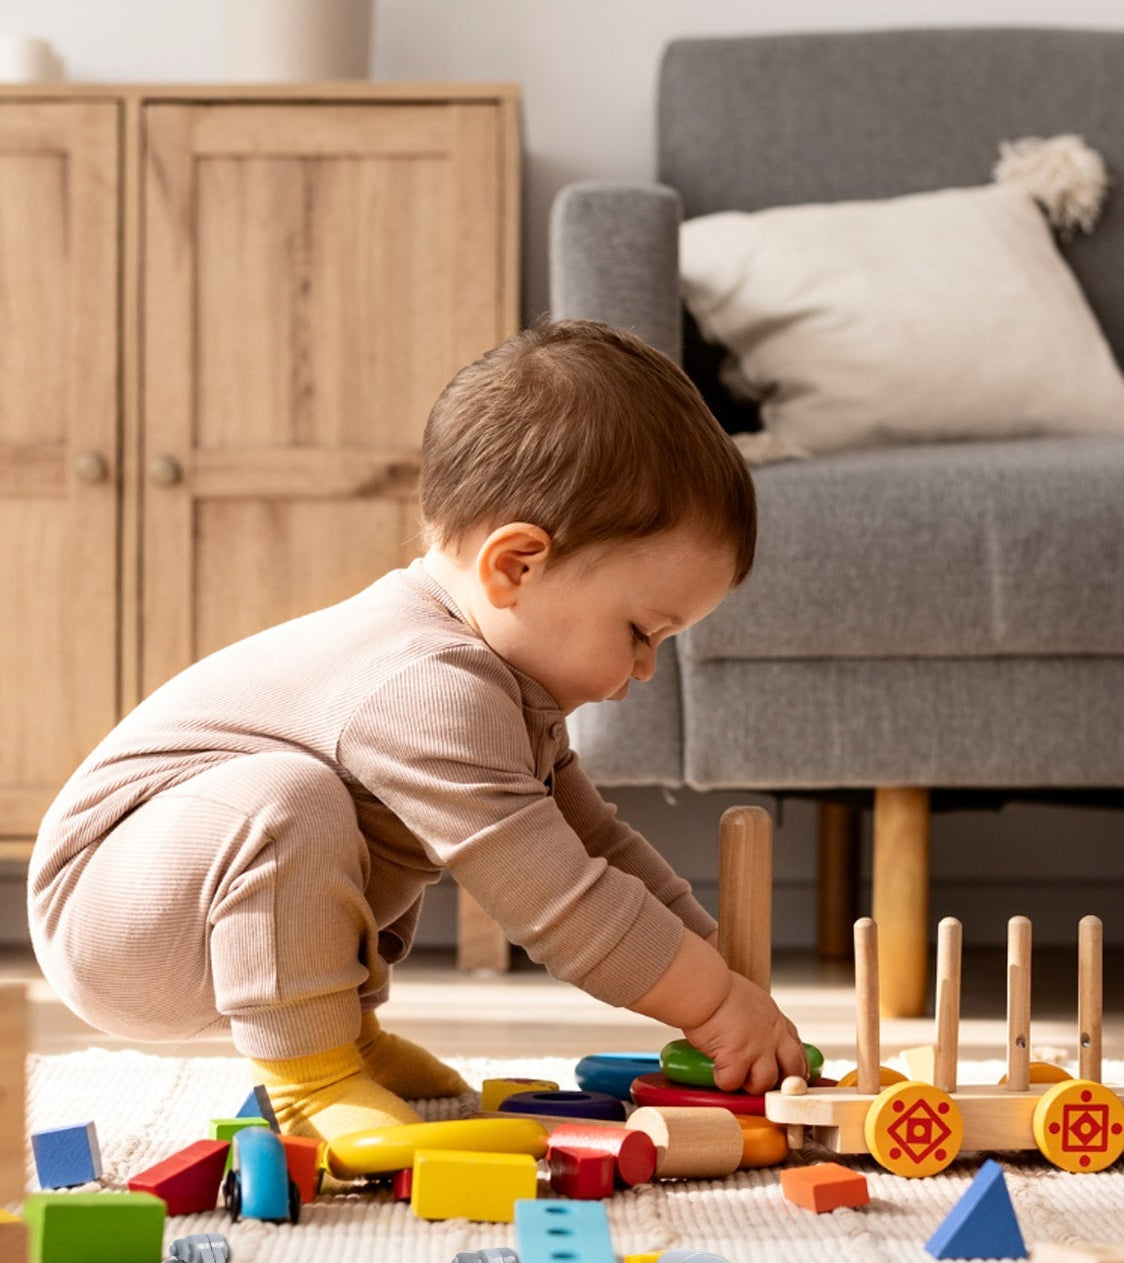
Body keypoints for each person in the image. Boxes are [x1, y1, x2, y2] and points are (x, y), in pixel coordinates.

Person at [27, 319, 807, 1140]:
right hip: (114, 914)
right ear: (515, 567)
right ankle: (313, 1080)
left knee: (316, 808)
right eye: (643, 633)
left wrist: (722, 963)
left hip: (181, 897)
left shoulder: (502, 687)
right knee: (286, 801)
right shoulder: (428, 688)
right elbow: (561, 902)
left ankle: (341, 1037)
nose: (645, 670)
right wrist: (715, 1006)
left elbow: (598, 850)